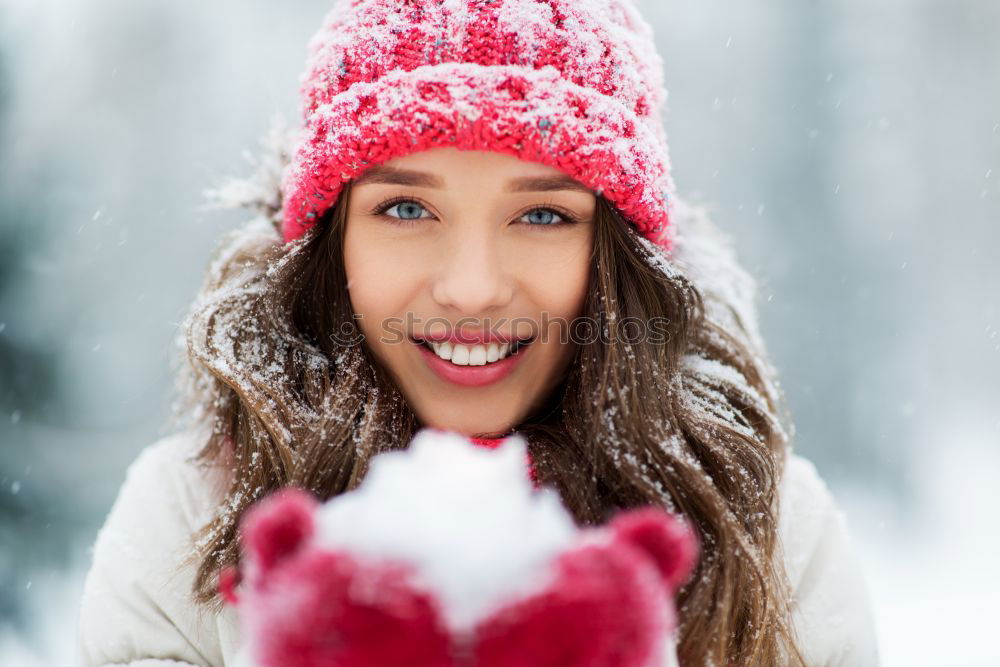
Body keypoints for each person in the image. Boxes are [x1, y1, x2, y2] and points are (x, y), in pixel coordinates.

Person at [75, 0, 880, 665]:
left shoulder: (762, 527)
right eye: (406, 208)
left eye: (541, 214)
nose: (471, 288)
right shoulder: (192, 520)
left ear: (615, 254)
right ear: (333, 241)